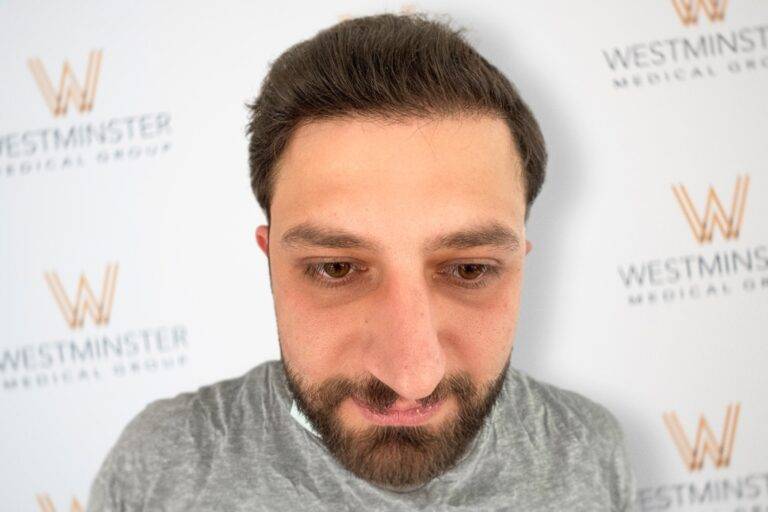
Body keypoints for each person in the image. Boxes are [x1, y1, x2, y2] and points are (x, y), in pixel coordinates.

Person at [86, 11, 636, 511]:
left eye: (469, 270)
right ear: (269, 263)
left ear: (521, 264)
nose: (411, 376)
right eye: (336, 268)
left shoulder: (587, 452)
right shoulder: (164, 470)